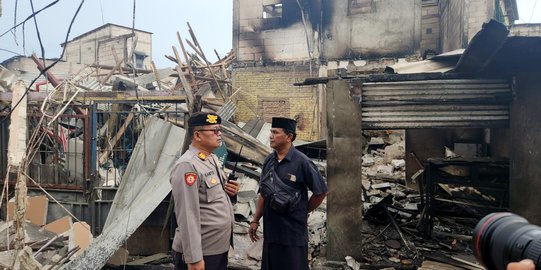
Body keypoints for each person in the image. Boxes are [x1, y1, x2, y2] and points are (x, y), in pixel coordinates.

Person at [249, 117, 328, 270]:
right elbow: (264, 193)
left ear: (289, 137)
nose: (270, 136)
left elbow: (321, 192)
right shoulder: (269, 160)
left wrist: (303, 210)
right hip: (271, 232)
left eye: (275, 132)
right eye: (271, 132)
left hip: (292, 233)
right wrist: (255, 219)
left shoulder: (302, 162)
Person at [170, 112, 240, 270]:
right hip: (202, 251)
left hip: (217, 247)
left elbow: (212, 197)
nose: (219, 134)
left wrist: (231, 193)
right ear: (197, 135)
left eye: (220, 129)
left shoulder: (211, 158)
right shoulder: (187, 166)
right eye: (214, 131)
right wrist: (194, 258)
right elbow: (187, 215)